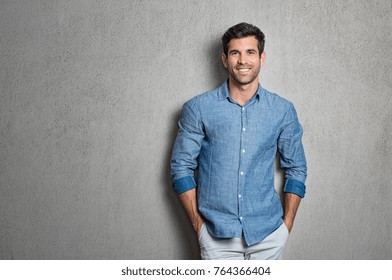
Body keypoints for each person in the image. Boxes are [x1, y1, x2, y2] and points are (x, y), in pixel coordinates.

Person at [170, 22, 307, 260]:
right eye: (235, 53)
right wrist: (199, 227)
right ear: (225, 59)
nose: (243, 61)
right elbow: (180, 167)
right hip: (216, 237)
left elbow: (297, 168)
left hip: (268, 236)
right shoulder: (198, 109)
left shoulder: (282, 110)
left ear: (262, 58)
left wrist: (286, 226)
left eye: (250, 52)